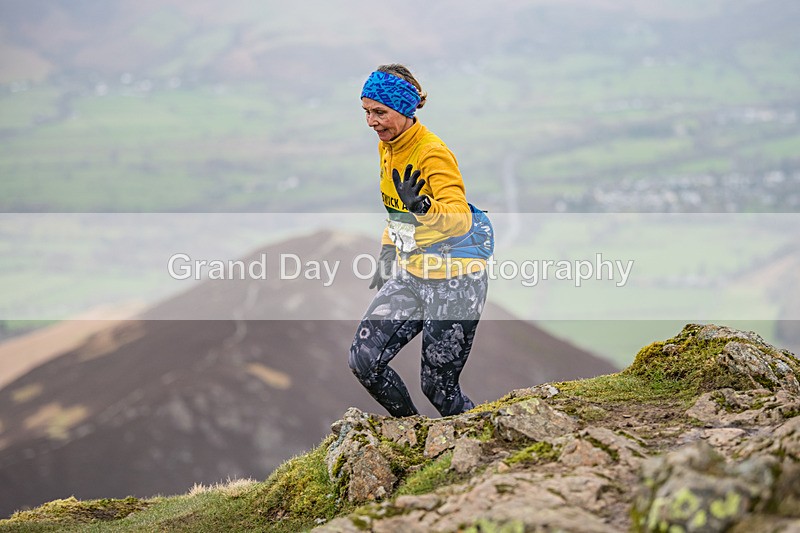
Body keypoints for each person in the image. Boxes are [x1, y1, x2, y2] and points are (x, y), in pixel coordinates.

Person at [348, 64, 492, 417]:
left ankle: (480, 445)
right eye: (366, 111)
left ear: (404, 109)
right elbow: (397, 208)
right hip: (412, 271)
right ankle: (414, 433)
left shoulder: (432, 152)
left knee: (438, 389)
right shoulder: (389, 146)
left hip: (456, 279)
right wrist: (387, 250)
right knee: (364, 360)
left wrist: (426, 207)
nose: (371, 121)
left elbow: (458, 218)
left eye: (379, 112)